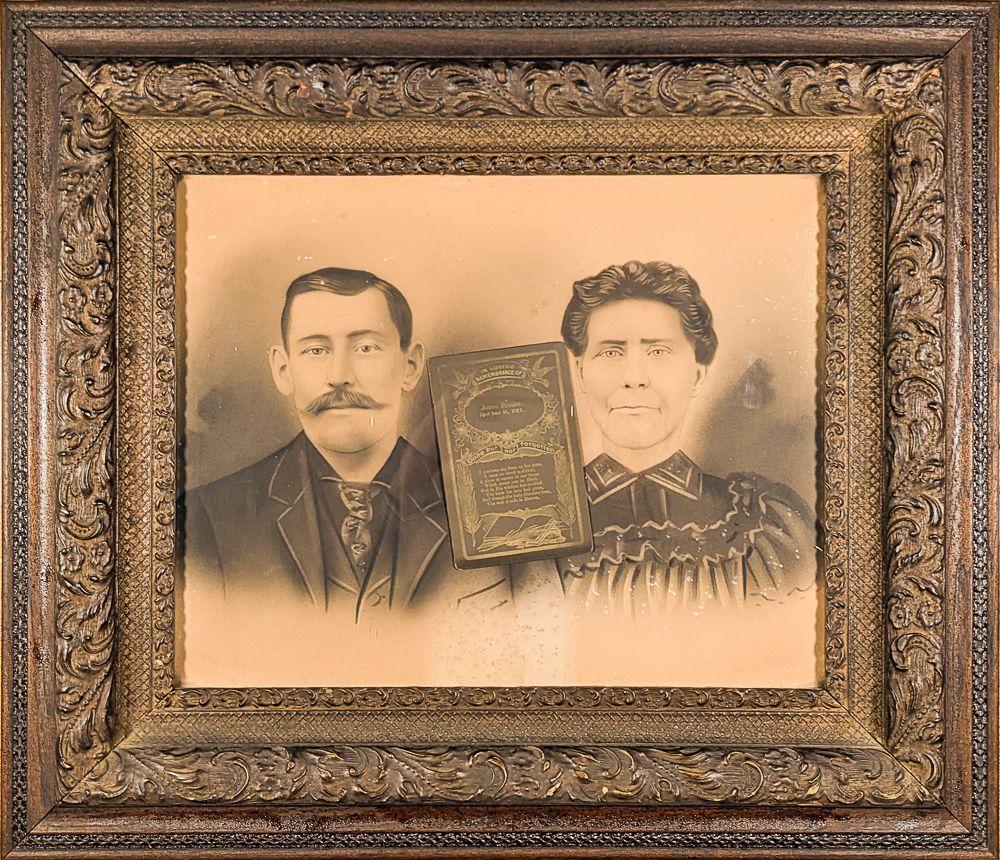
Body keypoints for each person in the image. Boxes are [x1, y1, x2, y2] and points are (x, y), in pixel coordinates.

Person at [181, 267, 512, 622]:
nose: (339, 375)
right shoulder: (204, 518)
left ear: (410, 366)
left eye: (366, 347)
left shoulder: (490, 510)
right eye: (316, 350)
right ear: (283, 369)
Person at [553, 260, 818, 616]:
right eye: (611, 352)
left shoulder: (763, 525)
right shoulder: (530, 526)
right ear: (581, 372)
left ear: (697, 375)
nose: (634, 378)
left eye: (658, 352)